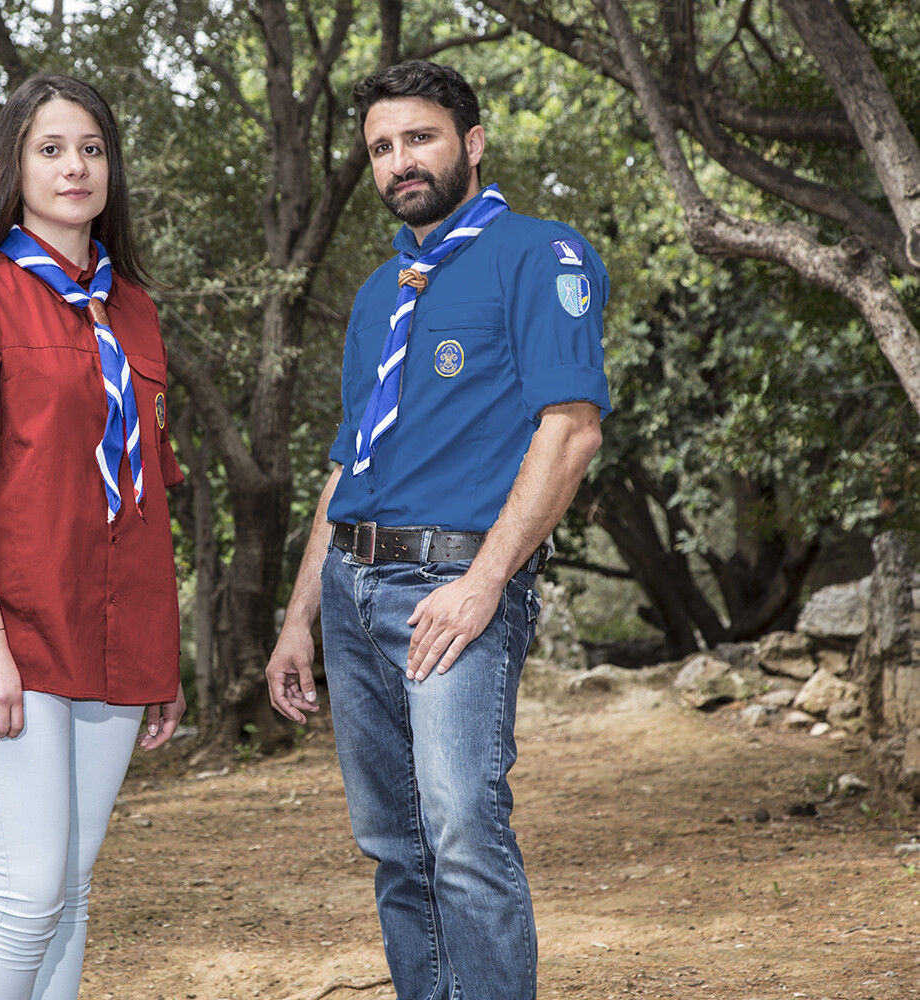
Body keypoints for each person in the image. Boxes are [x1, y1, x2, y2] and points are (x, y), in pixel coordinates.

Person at [265, 60, 610, 1000]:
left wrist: (484, 582)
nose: (400, 161)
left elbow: (571, 431)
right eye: (382, 147)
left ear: (473, 142)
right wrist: (300, 619)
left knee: (462, 833)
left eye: (419, 137)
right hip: (352, 589)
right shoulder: (381, 292)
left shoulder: (541, 255)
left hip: (454, 588)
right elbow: (347, 464)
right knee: (394, 845)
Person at [0, 74, 186, 1000]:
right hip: (15, 633)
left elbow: (149, 494)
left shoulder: (132, 309)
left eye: (92, 149)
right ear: (14, 168)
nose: (76, 167)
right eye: (51, 148)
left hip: (116, 636)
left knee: (69, 888)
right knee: (27, 891)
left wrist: (158, 654)